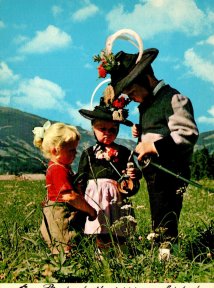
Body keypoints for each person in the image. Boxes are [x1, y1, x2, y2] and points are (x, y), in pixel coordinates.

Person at [94, 29, 199, 258]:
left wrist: (152, 146)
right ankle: (163, 249)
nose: (130, 97)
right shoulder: (148, 104)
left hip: (171, 171)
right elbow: (158, 129)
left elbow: (187, 134)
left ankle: (167, 254)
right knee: (157, 211)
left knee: (166, 212)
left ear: (147, 79)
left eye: (131, 91)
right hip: (154, 172)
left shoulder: (172, 99)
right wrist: (141, 132)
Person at [78, 85, 141, 252]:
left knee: (120, 233)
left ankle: (123, 258)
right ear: (93, 128)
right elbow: (81, 179)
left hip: (116, 199)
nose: (107, 133)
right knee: (99, 233)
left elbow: (133, 181)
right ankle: (102, 261)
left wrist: (133, 176)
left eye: (113, 130)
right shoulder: (89, 153)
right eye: (102, 129)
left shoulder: (124, 152)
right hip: (95, 200)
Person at [32, 121, 97, 255]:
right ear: (55, 150)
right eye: (71, 150)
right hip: (62, 213)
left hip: (60, 211)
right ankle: (65, 270)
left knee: (65, 243)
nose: (75, 153)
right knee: (65, 244)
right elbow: (70, 196)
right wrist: (90, 210)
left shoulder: (61, 167)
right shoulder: (57, 169)